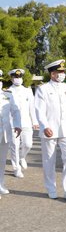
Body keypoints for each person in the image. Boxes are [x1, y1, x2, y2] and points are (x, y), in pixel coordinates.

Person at [34, 59, 66, 201]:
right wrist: (44, 126)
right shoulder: (43, 89)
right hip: (50, 130)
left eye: (63, 72)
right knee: (49, 161)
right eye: (59, 72)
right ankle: (51, 188)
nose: (62, 74)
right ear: (52, 74)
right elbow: (39, 110)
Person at [7, 69, 38, 178]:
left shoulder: (28, 91)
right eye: (15, 77)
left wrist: (35, 121)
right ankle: (16, 168)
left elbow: (32, 107)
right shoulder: (8, 91)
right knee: (14, 146)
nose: (18, 79)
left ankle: (22, 157)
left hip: (26, 122)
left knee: (28, 144)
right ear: (11, 78)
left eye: (19, 77)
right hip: (13, 123)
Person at [0, 69, 22, 198]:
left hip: (5, 133)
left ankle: (1, 184)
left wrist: (18, 124)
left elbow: (15, 110)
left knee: (2, 161)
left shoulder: (7, 95)